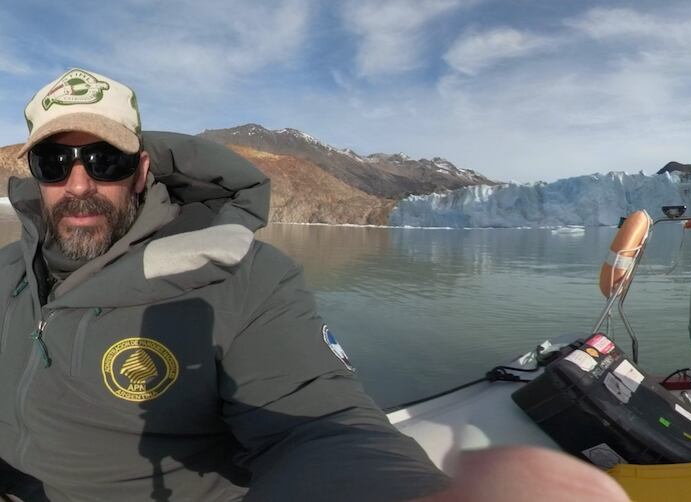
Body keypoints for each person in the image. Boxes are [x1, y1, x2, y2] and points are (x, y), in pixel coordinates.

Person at [0, 68, 452, 500]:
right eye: (53, 162)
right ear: (37, 177)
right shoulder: (9, 270)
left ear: (139, 171)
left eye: (105, 161)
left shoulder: (244, 279)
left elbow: (319, 424)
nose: (78, 184)